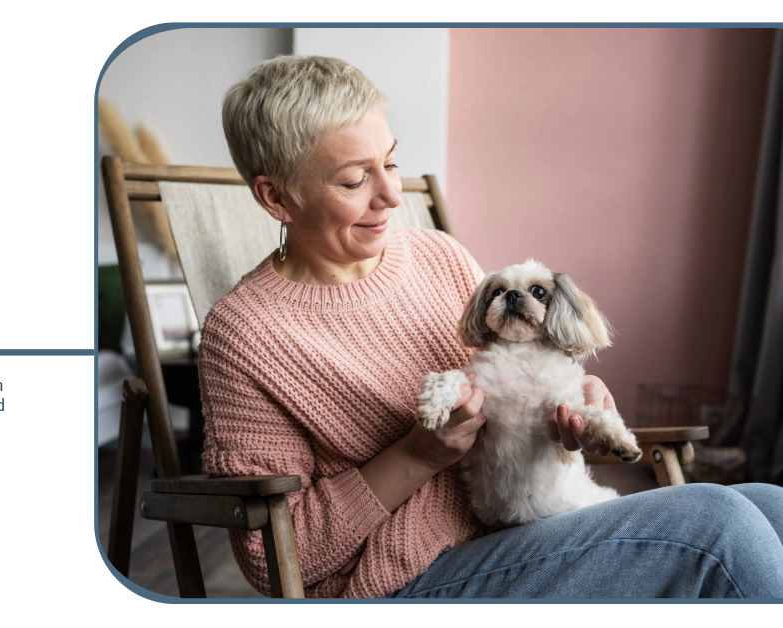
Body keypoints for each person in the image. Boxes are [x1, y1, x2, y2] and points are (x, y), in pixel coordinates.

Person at [200, 54, 783, 598]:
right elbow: (275, 556)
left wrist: (573, 407)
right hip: (407, 576)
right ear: (278, 197)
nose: (392, 194)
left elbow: (523, 373)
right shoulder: (246, 334)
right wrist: (418, 456)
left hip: (527, 524)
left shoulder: (437, 254)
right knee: (719, 524)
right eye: (355, 181)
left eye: (393, 162)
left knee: (770, 505)